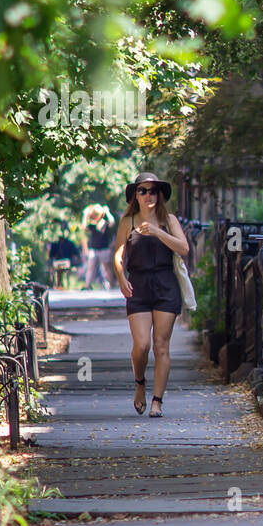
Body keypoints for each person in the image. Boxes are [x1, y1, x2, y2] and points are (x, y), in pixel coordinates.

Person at [112, 173, 188, 418]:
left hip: (166, 285)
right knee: (142, 345)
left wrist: (157, 232)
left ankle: (157, 401)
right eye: (142, 191)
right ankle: (139, 383)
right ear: (135, 195)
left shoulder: (169, 220)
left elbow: (184, 248)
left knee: (161, 346)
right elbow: (118, 255)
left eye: (153, 191)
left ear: (160, 195)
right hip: (138, 286)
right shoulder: (128, 222)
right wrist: (121, 277)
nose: (148, 195)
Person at [82, 204, 115, 289]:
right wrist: (85, 214)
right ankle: (87, 285)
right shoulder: (92, 226)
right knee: (90, 267)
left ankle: (110, 285)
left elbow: (112, 222)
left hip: (104, 249)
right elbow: (84, 227)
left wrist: (107, 212)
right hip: (93, 250)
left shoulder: (106, 224)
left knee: (107, 267)